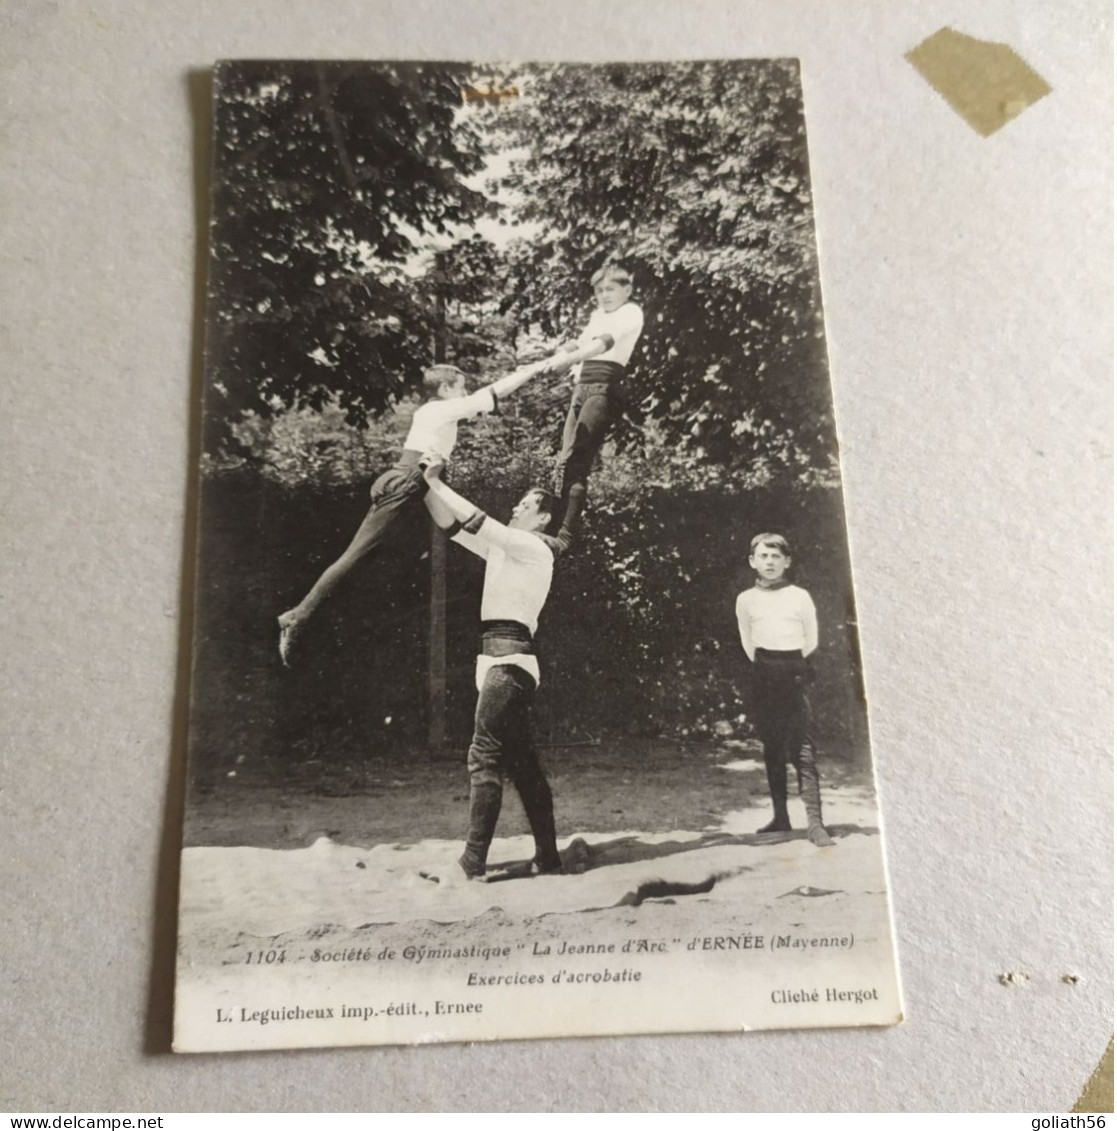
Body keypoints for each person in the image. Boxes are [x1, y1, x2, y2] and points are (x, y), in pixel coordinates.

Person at [277, 352, 596, 666]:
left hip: (416, 485)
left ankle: (318, 627)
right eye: (460, 387)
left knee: (395, 559)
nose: (464, 394)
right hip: (410, 482)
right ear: (445, 389)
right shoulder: (439, 409)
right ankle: (298, 616)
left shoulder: (435, 413)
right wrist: (537, 367)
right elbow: (494, 393)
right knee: (356, 555)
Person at [419, 454, 582, 880]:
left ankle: (471, 862)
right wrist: (422, 486)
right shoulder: (505, 548)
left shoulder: (531, 547)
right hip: (496, 660)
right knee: (521, 763)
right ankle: (548, 857)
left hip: (509, 662)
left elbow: (474, 518)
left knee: (483, 755)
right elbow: (452, 527)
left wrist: (435, 479)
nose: (515, 508)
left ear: (543, 519)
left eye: (525, 506)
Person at [735, 533, 835, 848]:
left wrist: (791, 666)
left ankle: (816, 824)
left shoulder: (799, 596)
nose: (769, 562)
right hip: (764, 673)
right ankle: (781, 817)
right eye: (763, 556)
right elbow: (747, 641)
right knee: (772, 746)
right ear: (753, 561)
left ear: (787, 561)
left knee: (802, 749)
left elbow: (812, 639)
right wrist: (767, 666)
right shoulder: (745, 599)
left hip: (794, 671)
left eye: (776, 557)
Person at [541, 263, 644, 512]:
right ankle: (555, 525)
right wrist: (555, 356)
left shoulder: (630, 312)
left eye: (610, 289)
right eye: (599, 291)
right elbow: (579, 342)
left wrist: (568, 360)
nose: (604, 295)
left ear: (627, 290)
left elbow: (601, 344)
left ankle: (567, 537)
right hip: (582, 387)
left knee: (578, 461)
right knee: (563, 460)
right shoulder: (599, 316)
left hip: (604, 388)